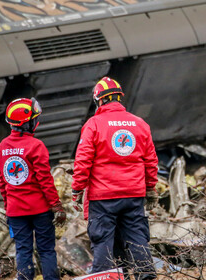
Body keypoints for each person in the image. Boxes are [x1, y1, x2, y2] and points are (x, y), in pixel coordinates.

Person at [71, 77, 158, 280]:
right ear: (119, 98)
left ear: (99, 101)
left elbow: (82, 161)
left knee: (103, 241)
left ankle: (104, 277)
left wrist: (77, 189)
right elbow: (151, 161)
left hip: (103, 198)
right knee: (137, 238)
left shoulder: (93, 124)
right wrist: (150, 187)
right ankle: (146, 275)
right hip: (133, 195)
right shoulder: (140, 124)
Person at [0, 98, 66, 280]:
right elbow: (45, 180)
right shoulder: (36, 146)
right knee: (46, 250)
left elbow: (3, 182)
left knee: (23, 250)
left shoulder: (2, 148)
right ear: (27, 123)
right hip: (40, 210)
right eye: (34, 118)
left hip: (15, 212)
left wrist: (8, 206)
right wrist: (56, 205)